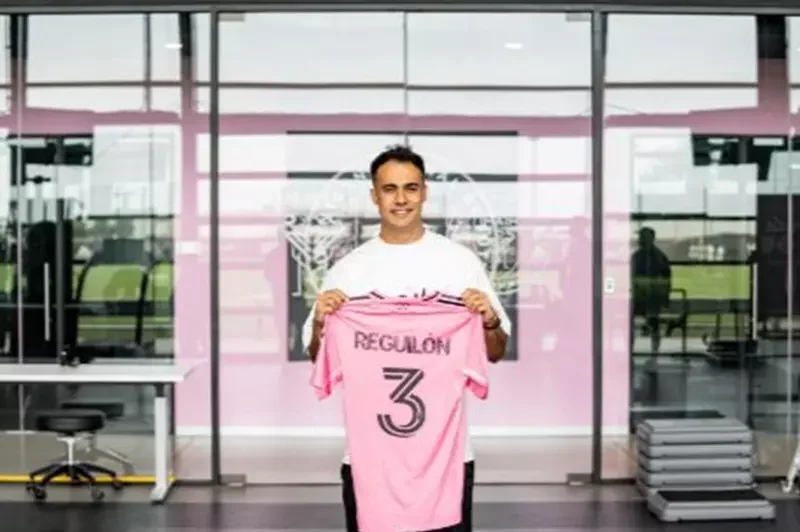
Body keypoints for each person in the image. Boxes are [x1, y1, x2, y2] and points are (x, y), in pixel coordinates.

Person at [302, 144, 511, 532]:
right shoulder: (348, 270)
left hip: (447, 458)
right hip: (369, 460)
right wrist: (320, 323)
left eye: (411, 188)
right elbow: (320, 358)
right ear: (374, 196)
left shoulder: (459, 262)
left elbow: (496, 352)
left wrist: (488, 320)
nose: (401, 199)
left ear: (424, 192)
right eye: (390, 189)